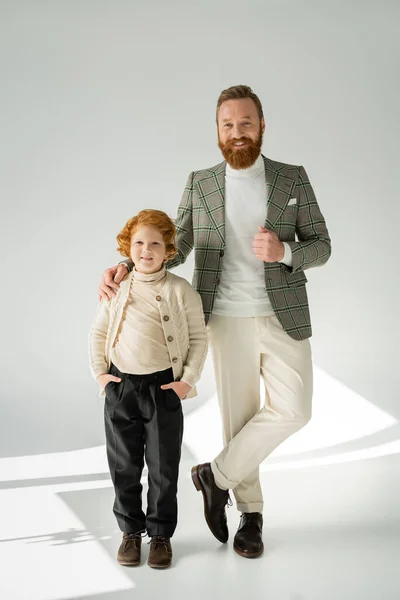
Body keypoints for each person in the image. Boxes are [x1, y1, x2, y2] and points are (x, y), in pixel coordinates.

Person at [98, 85, 331, 559]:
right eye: (228, 125)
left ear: (262, 126)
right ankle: (251, 515)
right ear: (218, 131)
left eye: (246, 123)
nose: (237, 132)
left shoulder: (293, 179)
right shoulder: (201, 182)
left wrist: (284, 252)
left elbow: (322, 244)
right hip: (222, 318)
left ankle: (214, 476)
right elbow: (174, 246)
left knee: (296, 409)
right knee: (240, 419)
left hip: (282, 314)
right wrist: (125, 263)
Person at [89, 209, 208, 569]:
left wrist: (187, 382)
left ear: (169, 249)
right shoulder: (117, 288)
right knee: (124, 466)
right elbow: (98, 333)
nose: (146, 249)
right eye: (139, 242)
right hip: (121, 387)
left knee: (162, 468)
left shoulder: (180, 290)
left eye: (155, 243)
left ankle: (160, 536)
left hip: (163, 389)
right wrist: (100, 374)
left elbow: (200, 338)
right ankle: (130, 532)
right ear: (128, 247)